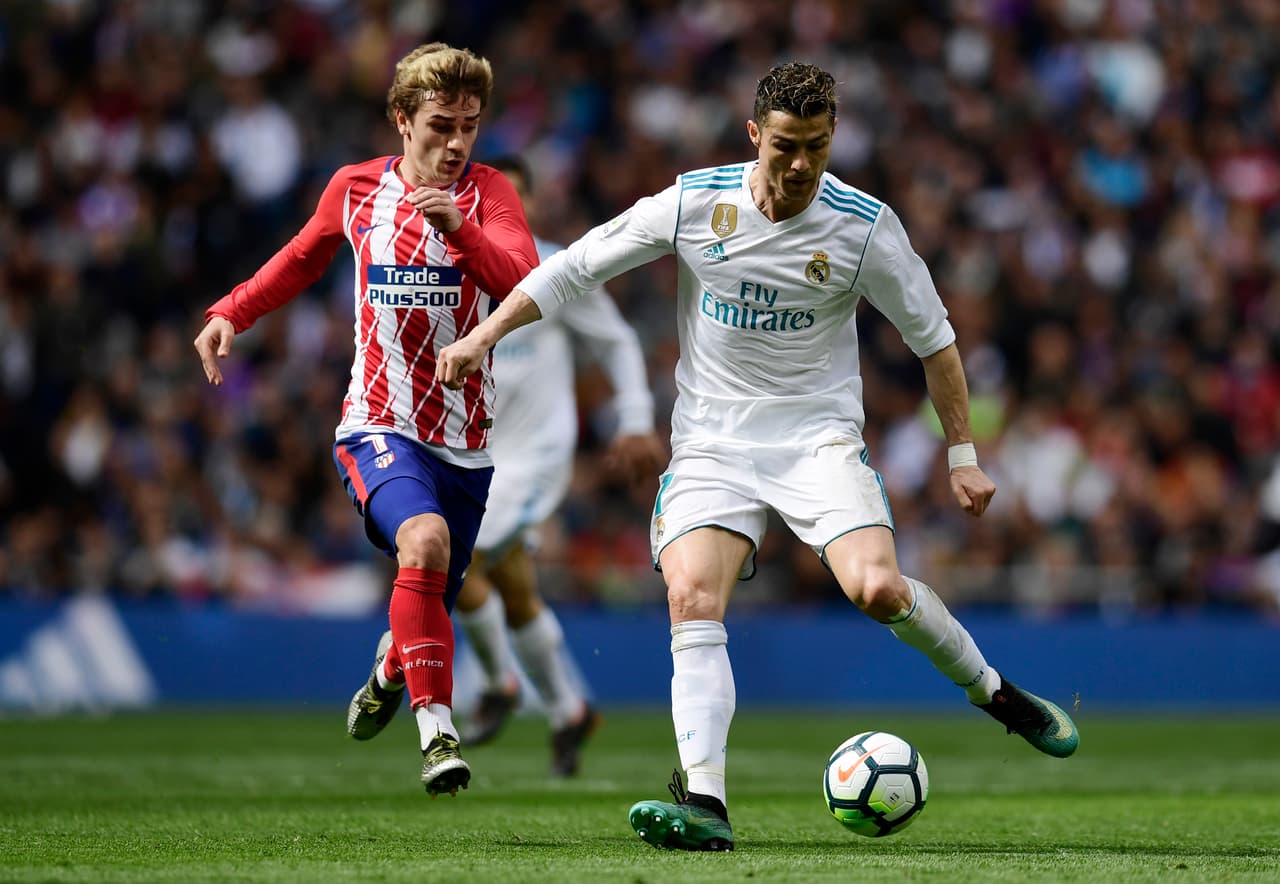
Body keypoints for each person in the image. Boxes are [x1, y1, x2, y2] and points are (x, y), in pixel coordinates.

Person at [435, 61, 1080, 849]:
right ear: (755, 137)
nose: (801, 165)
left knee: (876, 589)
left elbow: (935, 342)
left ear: (833, 137)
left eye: (816, 146)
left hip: (816, 439)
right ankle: (705, 804)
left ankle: (996, 694)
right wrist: (483, 335)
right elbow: (574, 268)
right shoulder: (696, 202)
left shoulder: (863, 226)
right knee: (692, 602)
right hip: (711, 442)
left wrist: (962, 455)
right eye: (785, 147)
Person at [193, 43, 539, 798]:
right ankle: (438, 737)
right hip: (376, 426)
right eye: (440, 125)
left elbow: (523, 281)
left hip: (467, 448)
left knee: (427, 591)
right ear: (401, 119)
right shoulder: (355, 190)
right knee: (424, 541)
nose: (456, 144)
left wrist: (462, 232)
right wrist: (230, 311)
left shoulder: (491, 195)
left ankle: (390, 668)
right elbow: (301, 257)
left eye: (470, 127)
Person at [450, 155, 665, 776]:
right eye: (491, 194)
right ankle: (570, 710)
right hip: (471, 453)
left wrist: (632, 418)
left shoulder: (556, 267)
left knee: (456, 562)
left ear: (532, 205)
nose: (502, 207)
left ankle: (498, 685)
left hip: (533, 457)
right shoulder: (448, 263)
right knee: (512, 587)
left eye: (516, 197)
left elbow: (618, 340)